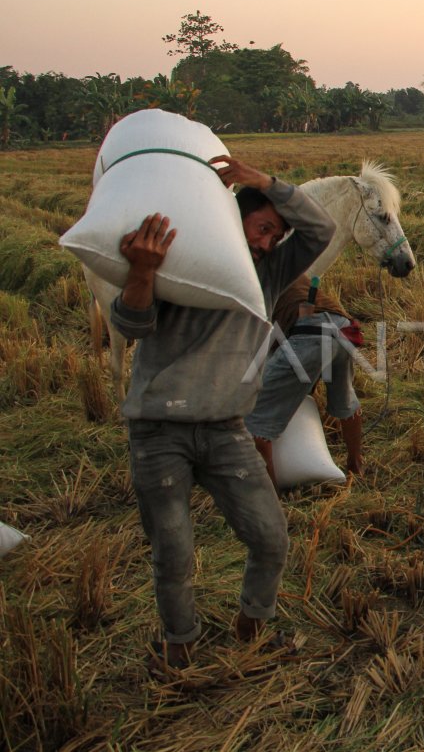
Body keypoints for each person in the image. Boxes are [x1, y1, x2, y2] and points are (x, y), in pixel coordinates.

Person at [109, 155, 335, 673]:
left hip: (226, 429)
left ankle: (251, 630)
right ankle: (179, 650)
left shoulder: (269, 273)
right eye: (261, 229)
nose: (265, 242)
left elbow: (321, 227)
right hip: (158, 430)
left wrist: (267, 184)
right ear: (231, 219)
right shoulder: (183, 266)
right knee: (174, 552)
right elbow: (132, 325)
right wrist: (143, 271)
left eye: (274, 235)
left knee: (270, 536)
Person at [244, 276, 364, 486]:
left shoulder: (249, 278)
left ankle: (271, 499)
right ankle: (356, 465)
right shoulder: (290, 267)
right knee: (346, 400)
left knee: (255, 418)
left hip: (308, 333)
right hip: (343, 327)